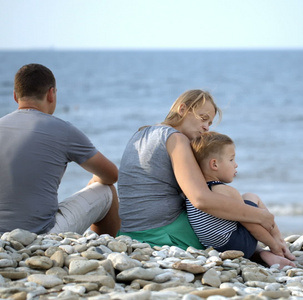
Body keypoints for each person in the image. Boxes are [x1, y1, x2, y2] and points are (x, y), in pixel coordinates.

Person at [118, 89, 287, 266]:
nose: (206, 127)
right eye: (203, 118)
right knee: (221, 223)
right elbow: (200, 199)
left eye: (210, 122)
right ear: (182, 109)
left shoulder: (140, 133)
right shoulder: (176, 138)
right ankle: (264, 253)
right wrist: (260, 215)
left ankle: (261, 253)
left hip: (128, 231)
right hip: (162, 232)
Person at [0, 63, 120, 237]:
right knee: (106, 191)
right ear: (51, 94)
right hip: (37, 236)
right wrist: (96, 180)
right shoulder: (63, 130)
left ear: (15, 96)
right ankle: (108, 253)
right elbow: (112, 175)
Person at [187, 131, 295, 267]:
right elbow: (252, 226)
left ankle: (265, 253)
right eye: (231, 159)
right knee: (251, 197)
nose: (236, 165)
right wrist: (274, 247)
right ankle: (279, 241)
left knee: (245, 202)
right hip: (240, 246)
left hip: (214, 249)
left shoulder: (193, 191)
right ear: (214, 164)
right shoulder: (226, 191)